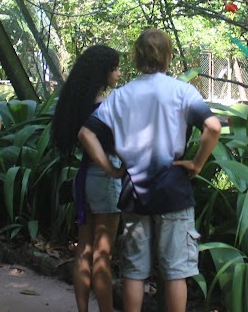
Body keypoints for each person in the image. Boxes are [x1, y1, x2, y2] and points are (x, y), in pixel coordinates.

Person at [78, 29, 222, 312]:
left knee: (134, 269)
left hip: (134, 191)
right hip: (173, 190)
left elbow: (85, 133)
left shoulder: (121, 95)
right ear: (168, 57)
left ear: (136, 57)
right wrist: (196, 163)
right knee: (176, 271)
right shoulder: (182, 91)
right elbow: (213, 126)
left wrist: (110, 168)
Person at [51, 45, 122, 312]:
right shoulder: (106, 106)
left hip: (86, 178)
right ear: (104, 72)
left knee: (84, 250)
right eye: (115, 68)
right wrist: (113, 169)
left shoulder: (79, 103)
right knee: (103, 254)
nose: (118, 73)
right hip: (105, 176)